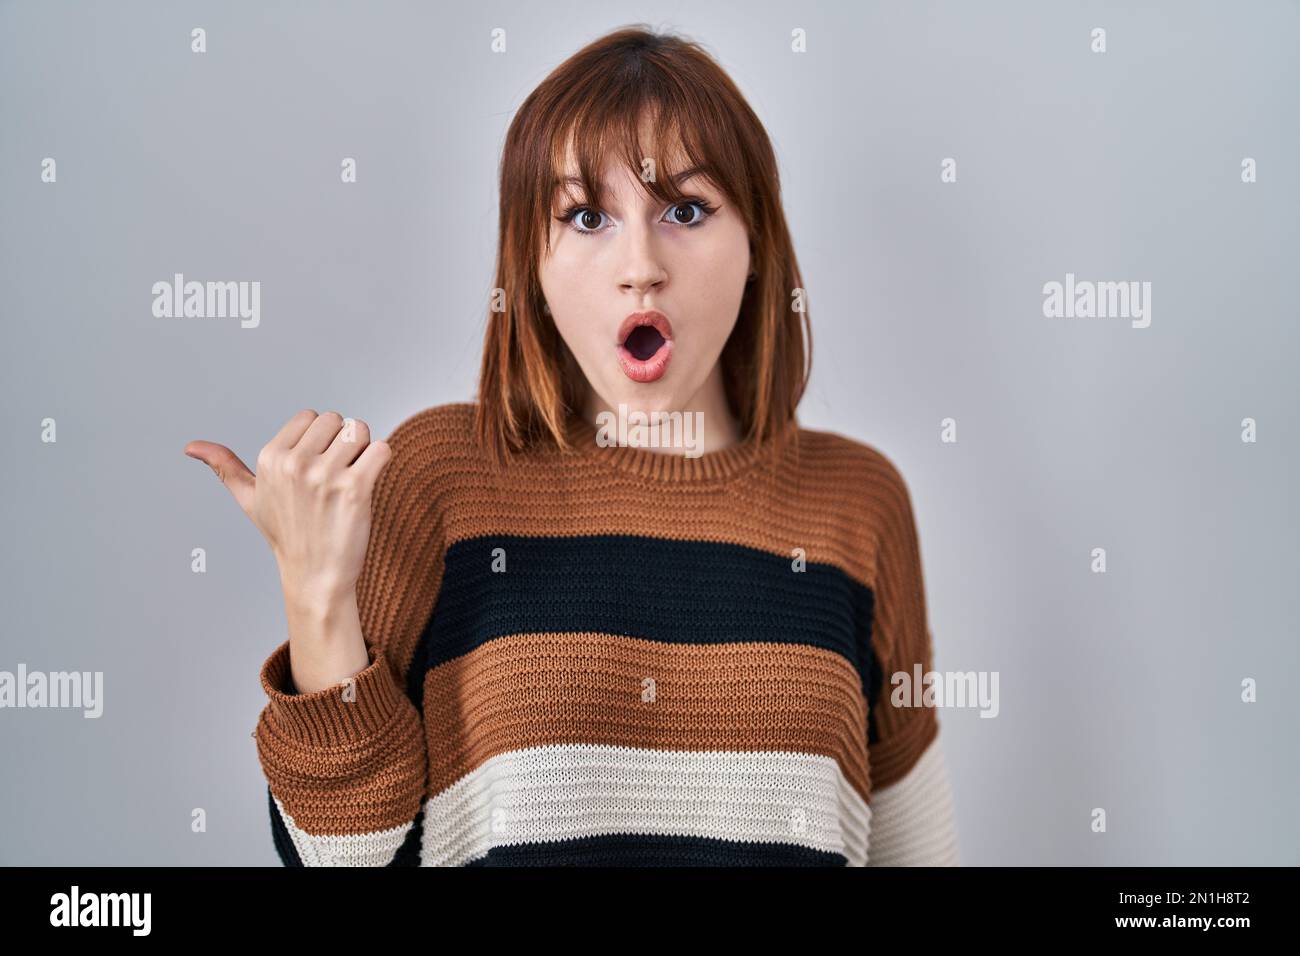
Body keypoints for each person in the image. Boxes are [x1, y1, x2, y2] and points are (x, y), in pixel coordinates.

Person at [184, 25, 959, 866]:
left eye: (686, 210)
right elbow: (340, 862)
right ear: (534, 267)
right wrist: (317, 592)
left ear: (757, 248)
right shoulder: (442, 480)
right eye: (587, 216)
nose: (641, 266)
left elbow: (917, 850)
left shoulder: (859, 499)